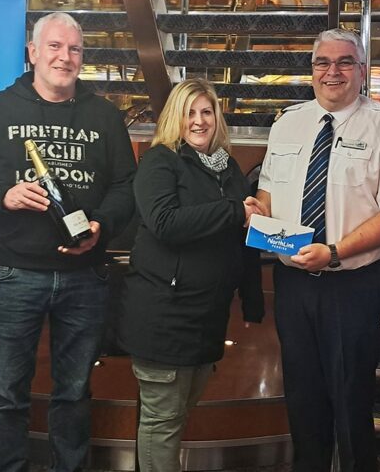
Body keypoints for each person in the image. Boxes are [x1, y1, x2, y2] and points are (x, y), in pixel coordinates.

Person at [0, 11, 137, 472]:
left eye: (74, 49)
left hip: (86, 278)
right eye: (54, 46)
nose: (64, 57)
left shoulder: (105, 115)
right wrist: (3, 195)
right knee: (7, 393)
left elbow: (126, 187)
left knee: (73, 393)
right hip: (16, 275)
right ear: (33, 52)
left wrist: (101, 227)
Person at [252, 28, 380, 472]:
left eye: (344, 62)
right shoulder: (287, 121)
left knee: (351, 402)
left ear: (362, 70)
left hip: (353, 286)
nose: (333, 72)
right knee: (303, 399)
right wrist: (259, 212)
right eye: (322, 63)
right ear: (312, 70)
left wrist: (334, 250)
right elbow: (270, 194)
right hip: (292, 284)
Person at [117, 79, 265, 472]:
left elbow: (239, 236)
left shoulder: (227, 167)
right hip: (164, 316)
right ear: (175, 118)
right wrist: (235, 211)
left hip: (206, 318)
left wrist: (253, 299)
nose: (199, 121)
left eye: (207, 111)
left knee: (178, 416)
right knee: (162, 422)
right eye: (190, 113)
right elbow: (165, 222)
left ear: (218, 117)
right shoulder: (159, 161)